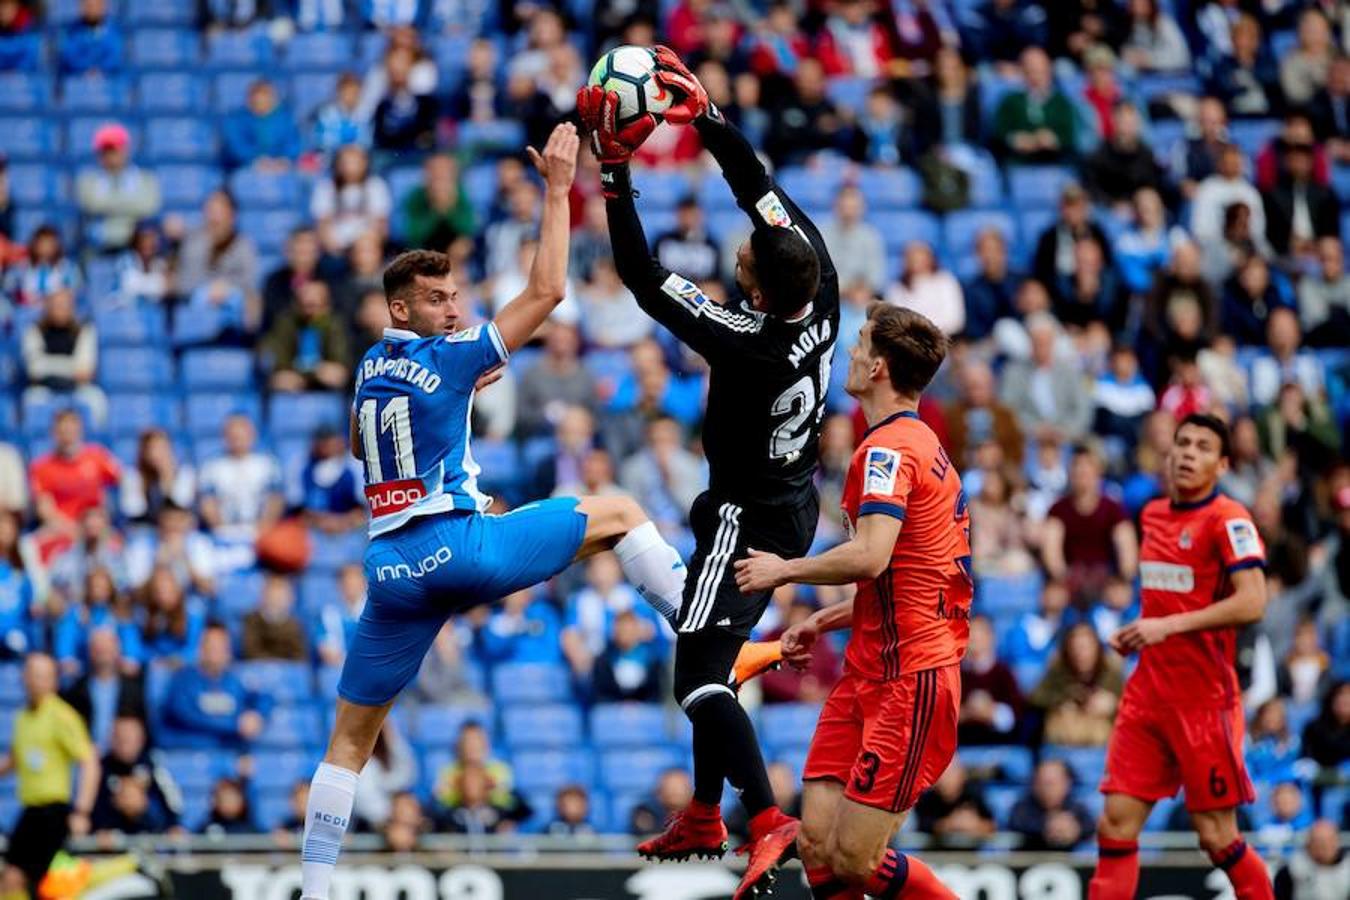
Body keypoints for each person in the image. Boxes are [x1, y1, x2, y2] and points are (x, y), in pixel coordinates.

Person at [297, 125, 707, 900]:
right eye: (437, 299)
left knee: (348, 744)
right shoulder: (451, 357)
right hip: (459, 548)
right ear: (400, 305)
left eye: (455, 295)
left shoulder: (371, 365)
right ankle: (702, 633)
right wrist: (556, 190)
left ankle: (315, 891)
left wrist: (448, 417)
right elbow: (546, 293)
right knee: (621, 511)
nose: (454, 308)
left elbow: (361, 444)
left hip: (391, 572)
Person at [580, 48, 841, 898]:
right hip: (793, 499)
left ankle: (766, 817)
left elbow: (642, 277)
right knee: (707, 653)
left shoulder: (748, 340)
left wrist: (614, 172)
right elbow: (759, 189)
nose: (740, 255)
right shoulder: (821, 280)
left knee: (696, 675)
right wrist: (713, 122)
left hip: (744, 519)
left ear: (756, 292)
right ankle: (702, 809)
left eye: (744, 264)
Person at [735, 303, 968, 900]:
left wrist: (784, 571)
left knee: (858, 859)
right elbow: (906, 580)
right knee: (816, 845)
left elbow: (869, 557)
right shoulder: (912, 443)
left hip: (910, 678)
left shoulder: (889, 451)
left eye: (860, 343)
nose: (852, 353)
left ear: (879, 367)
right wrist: (824, 619)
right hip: (868, 668)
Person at [1089, 414, 1273, 900]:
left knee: (1216, 836)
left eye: (1203, 447)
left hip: (1203, 700)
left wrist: (1167, 627)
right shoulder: (1152, 514)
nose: (1189, 453)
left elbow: (1254, 601)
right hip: (1148, 695)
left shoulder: (1228, 518)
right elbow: (1167, 597)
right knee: (1115, 824)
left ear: (1223, 464)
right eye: (1183, 443)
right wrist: (1138, 632)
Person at [0, 654, 100, 898]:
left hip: (52, 812)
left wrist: (82, 811)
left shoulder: (62, 716)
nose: (35, 681)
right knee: (15, 881)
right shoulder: (22, 718)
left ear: (54, 681)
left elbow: (89, 761)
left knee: (20, 879)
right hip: (30, 810)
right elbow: (13, 760)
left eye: (42, 676)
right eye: (32, 674)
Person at [159, 624, 271, 751]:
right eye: (212, 646)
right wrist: (234, 725)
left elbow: (264, 698)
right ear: (201, 649)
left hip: (228, 753)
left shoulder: (235, 681)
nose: (216, 652)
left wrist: (257, 714)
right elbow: (185, 714)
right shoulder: (183, 679)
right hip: (189, 751)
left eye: (222, 647)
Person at [75, 123, 160, 253]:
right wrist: (131, 205)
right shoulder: (87, 180)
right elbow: (90, 204)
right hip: (99, 246)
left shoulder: (146, 179)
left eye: (114, 150)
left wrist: (107, 205)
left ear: (125, 150)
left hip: (134, 246)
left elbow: (149, 207)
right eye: (105, 151)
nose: (110, 156)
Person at [1009, 759, 1094, 851]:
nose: (1045, 789)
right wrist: (1048, 826)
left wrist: (1075, 830)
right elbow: (1018, 826)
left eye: (1051, 783)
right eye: (1040, 782)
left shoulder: (1077, 807)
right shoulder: (1022, 807)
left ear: (1067, 783)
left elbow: (1090, 828)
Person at [1273, 818, 1349, 900]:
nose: (1324, 847)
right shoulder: (1291, 871)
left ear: (1337, 842)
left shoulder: (1347, 868)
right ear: (1308, 845)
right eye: (1318, 842)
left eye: (1328, 841)